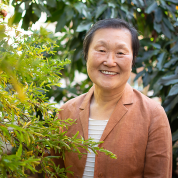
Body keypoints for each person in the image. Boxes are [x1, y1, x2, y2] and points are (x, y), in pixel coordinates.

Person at [48, 18, 172, 178]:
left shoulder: (153, 116)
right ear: (86, 55)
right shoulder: (65, 113)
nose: (110, 61)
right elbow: (53, 172)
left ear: (133, 60)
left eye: (120, 53)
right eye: (101, 50)